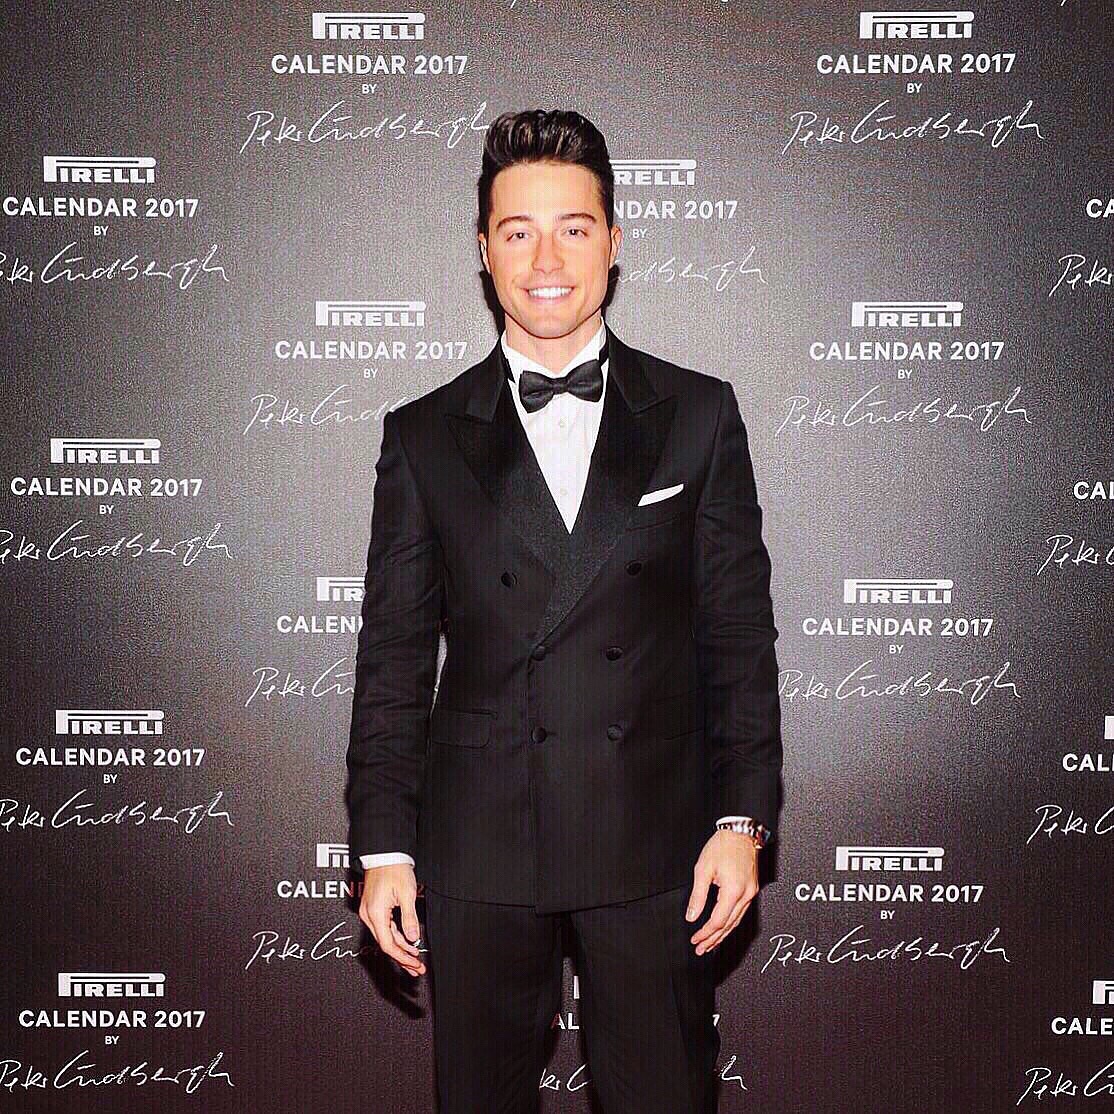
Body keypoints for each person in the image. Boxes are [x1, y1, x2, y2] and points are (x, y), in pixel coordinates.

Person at [346, 107, 783, 1114]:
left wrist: (742, 819)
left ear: (614, 241)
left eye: (573, 228)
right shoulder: (422, 435)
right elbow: (394, 658)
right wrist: (384, 845)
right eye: (518, 231)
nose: (547, 260)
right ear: (483, 251)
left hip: (654, 840)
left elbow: (737, 638)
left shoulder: (699, 414)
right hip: (480, 843)